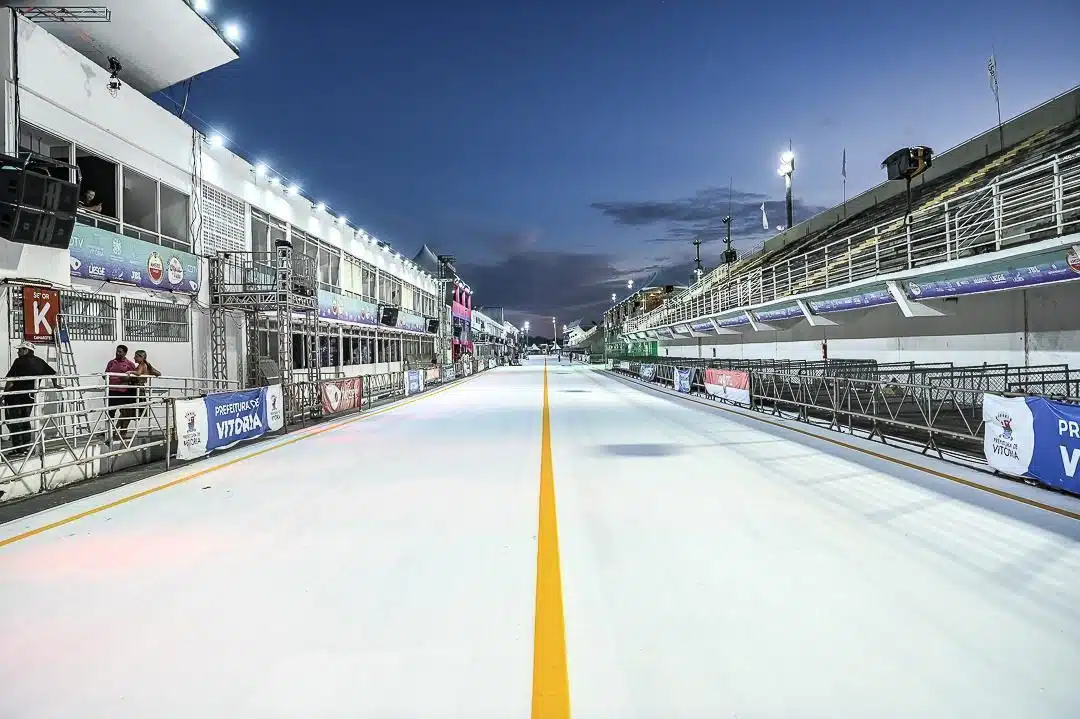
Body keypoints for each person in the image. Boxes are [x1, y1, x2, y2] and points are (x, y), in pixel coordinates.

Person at [4, 341, 57, 456]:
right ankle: (25, 447)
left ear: (26, 350)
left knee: (14, 423)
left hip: (15, 398)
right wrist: (56, 385)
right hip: (30, 398)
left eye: (20, 350)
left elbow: (10, 382)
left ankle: (18, 449)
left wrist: (4, 395)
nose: (18, 352)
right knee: (25, 421)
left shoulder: (19, 362)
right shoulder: (40, 362)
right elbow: (53, 373)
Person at [105, 344, 137, 441]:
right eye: (117, 351)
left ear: (125, 353)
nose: (117, 353)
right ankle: (110, 432)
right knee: (110, 412)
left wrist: (126, 378)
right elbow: (106, 373)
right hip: (111, 390)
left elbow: (135, 376)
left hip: (123, 391)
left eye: (120, 352)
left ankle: (122, 432)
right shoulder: (111, 363)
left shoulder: (129, 364)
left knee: (125, 413)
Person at [131, 350, 161, 421]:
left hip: (137, 387)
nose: (134, 358)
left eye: (136, 356)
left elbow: (138, 373)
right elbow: (158, 373)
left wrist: (130, 372)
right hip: (140, 388)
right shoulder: (146, 365)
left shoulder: (142, 365)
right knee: (138, 407)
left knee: (135, 407)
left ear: (141, 357)